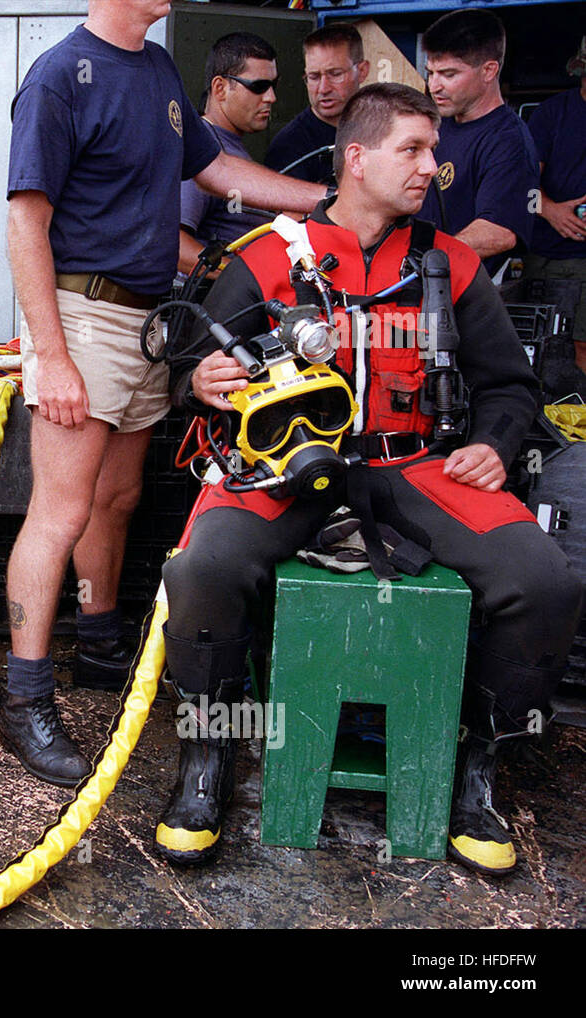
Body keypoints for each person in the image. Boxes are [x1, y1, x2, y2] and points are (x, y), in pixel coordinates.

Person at [160, 83, 584, 876]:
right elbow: (190, 363)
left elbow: (510, 386)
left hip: (415, 464)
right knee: (204, 569)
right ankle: (206, 757)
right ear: (357, 158)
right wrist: (205, 378)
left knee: (548, 583)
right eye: (414, 151)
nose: (433, 166)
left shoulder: (450, 265)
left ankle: (475, 772)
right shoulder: (263, 259)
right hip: (285, 462)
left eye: (435, 150)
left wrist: (493, 444)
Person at [2, 0, 325, 787]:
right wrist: (54, 356)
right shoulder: (57, 78)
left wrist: (327, 206)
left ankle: (101, 643)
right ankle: (23, 699)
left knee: (115, 499)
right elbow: (23, 224)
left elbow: (213, 169)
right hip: (83, 317)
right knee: (61, 508)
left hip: (150, 322)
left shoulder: (154, 67)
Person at [418, 8, 538, 279]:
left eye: (448, 74)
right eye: (431, 72)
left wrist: (423, 260)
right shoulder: (438, 125)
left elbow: (499, 232)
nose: (434, 85)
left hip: (463, 300)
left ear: (488, 70)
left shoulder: (508, 141)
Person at [179, 32, 280, 278]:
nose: (271, 97)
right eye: (258, 87)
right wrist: (246, 281)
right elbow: (175, 246)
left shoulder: (229, 147)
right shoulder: (203, 149)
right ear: (220, 88)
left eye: (273, 86)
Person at [524, 37, 586, 384]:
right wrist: (550, 210)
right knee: (550, 347)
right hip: (549, 259)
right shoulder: (552, 114)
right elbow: (520, 190)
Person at [264, 24, 369, 186]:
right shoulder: (289, 148)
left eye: (335, 74)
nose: (323, 88)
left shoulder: (381, 129)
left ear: (362, 71)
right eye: (314, 77)